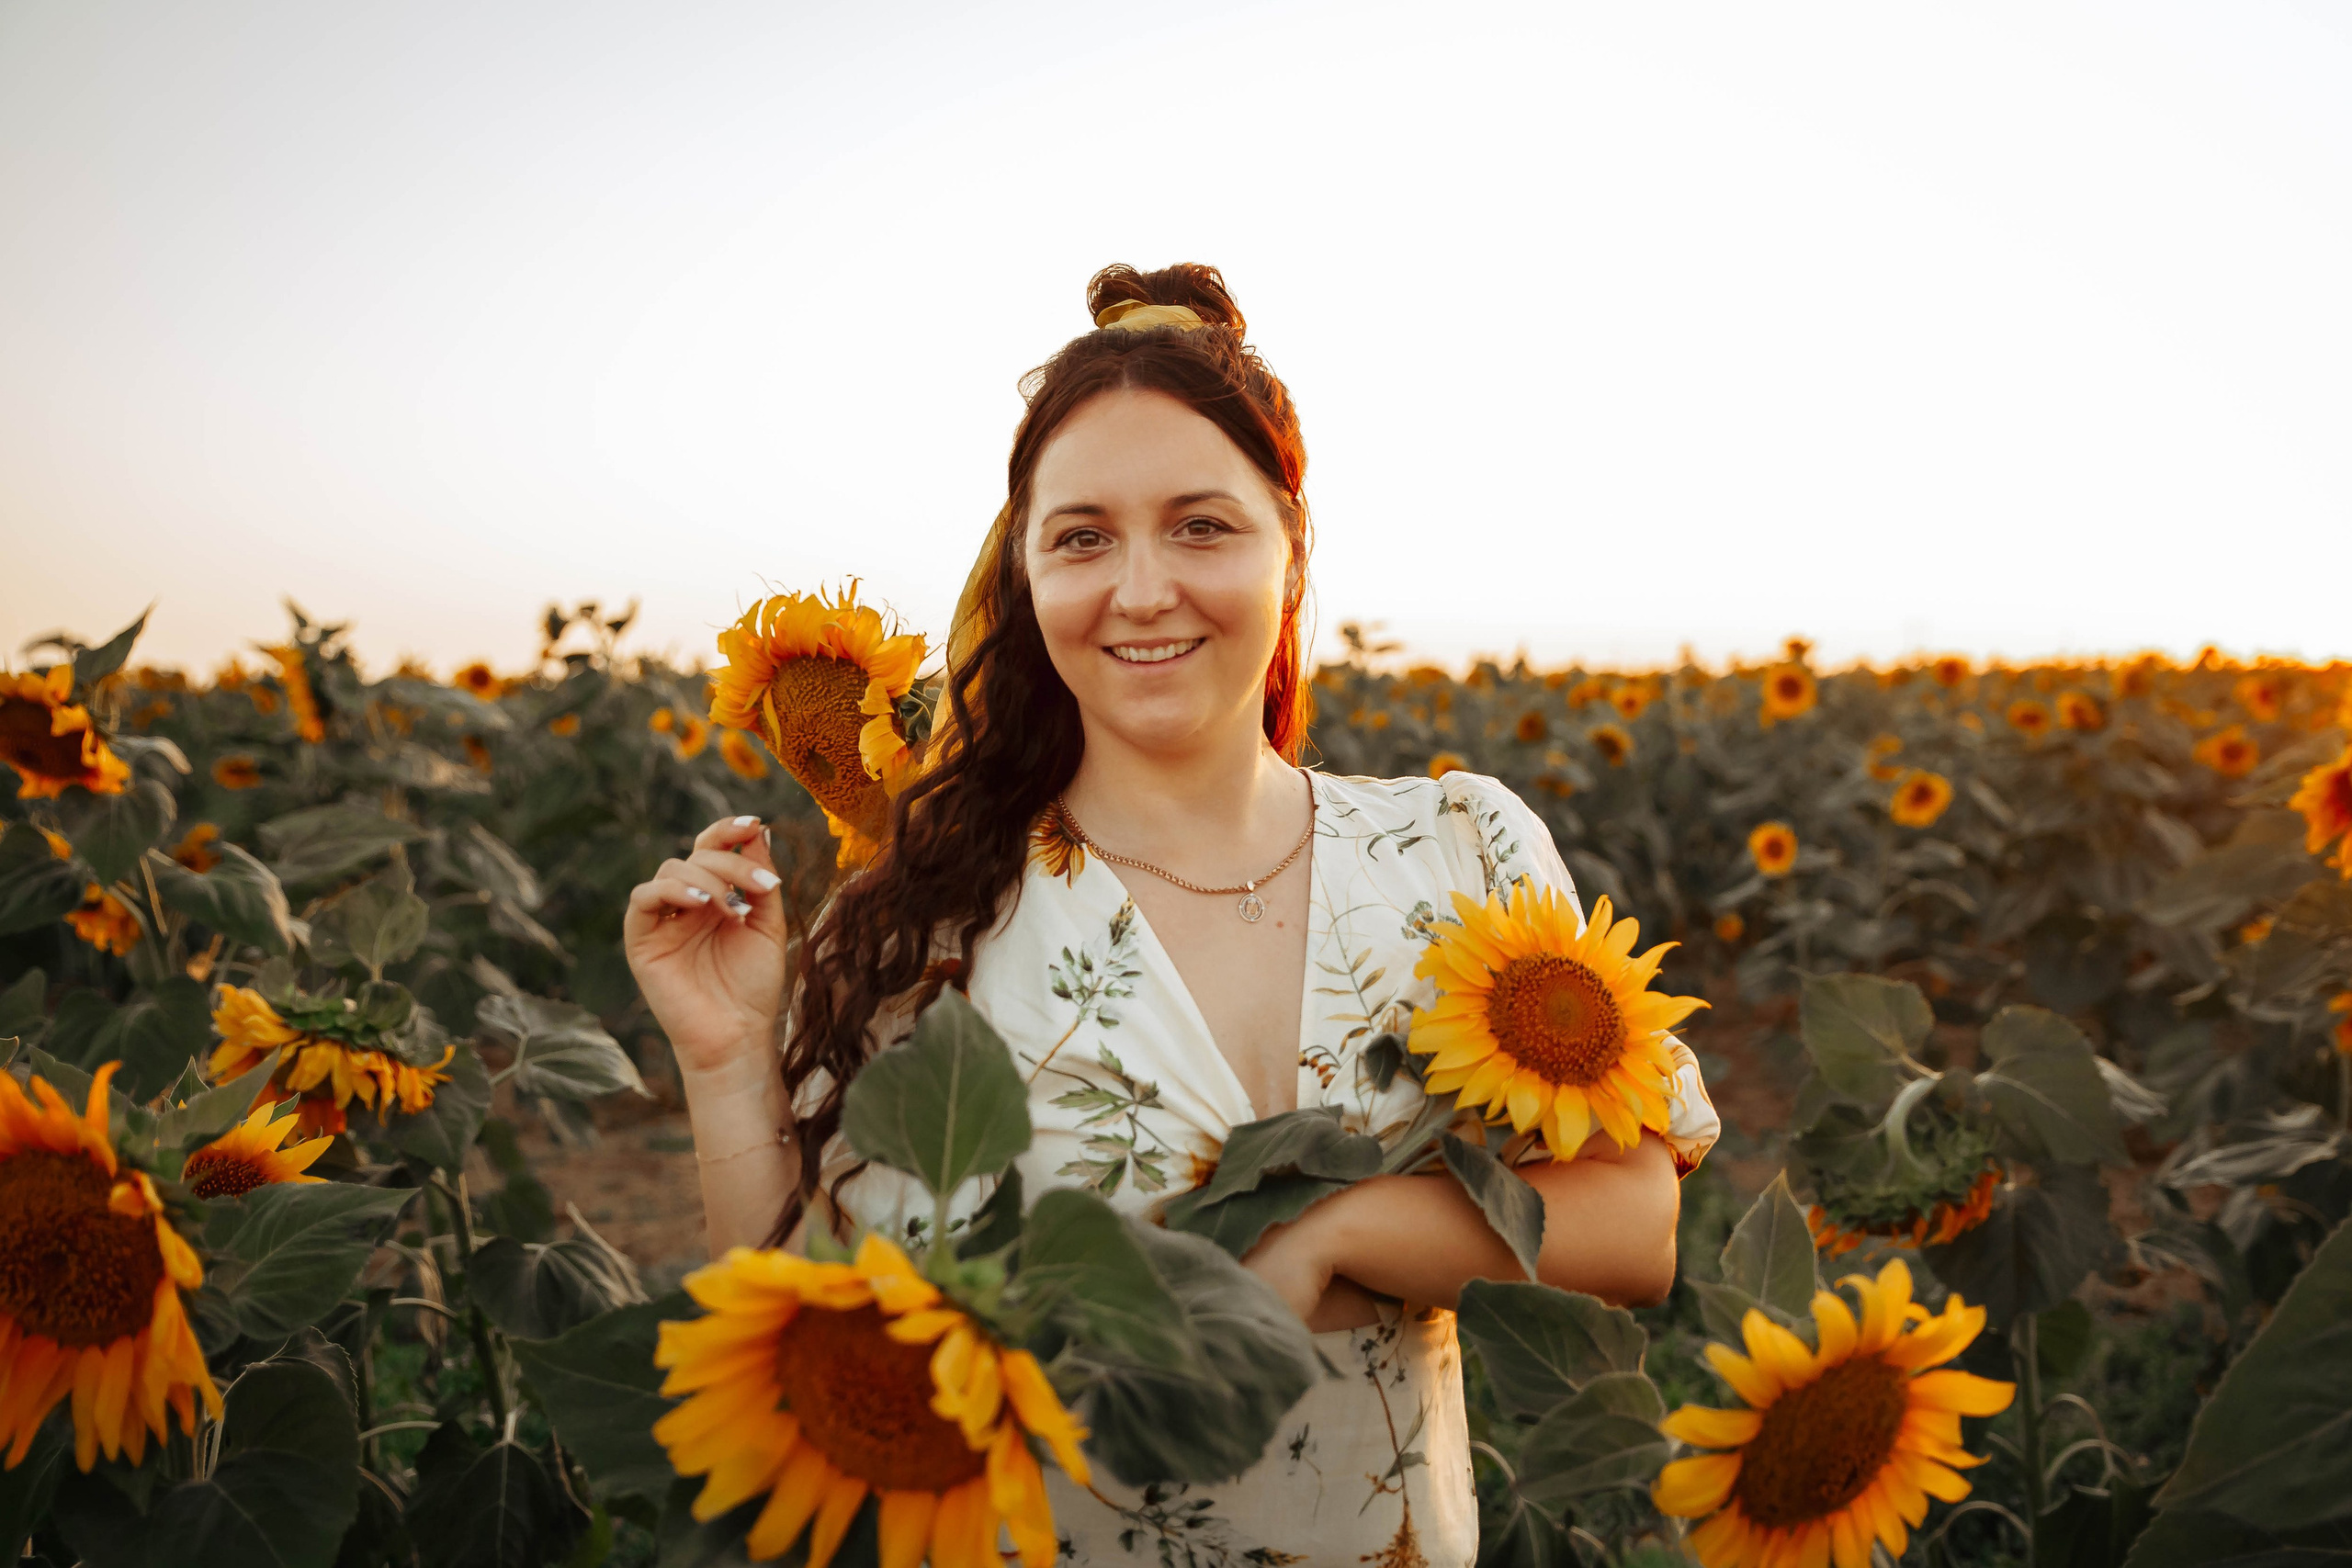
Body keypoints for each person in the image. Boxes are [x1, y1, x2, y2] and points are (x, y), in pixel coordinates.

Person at [624, 263, 1720, 1568]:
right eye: (1082, 537)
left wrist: (1334, 1233)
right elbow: (809, 1314)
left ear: (1291, 547)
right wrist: (723, 1060)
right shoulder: (929, 915)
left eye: (1201, 526)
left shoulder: (1453, 848)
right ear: (1027, 574)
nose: (1140, 590)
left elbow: (1634, 1224)